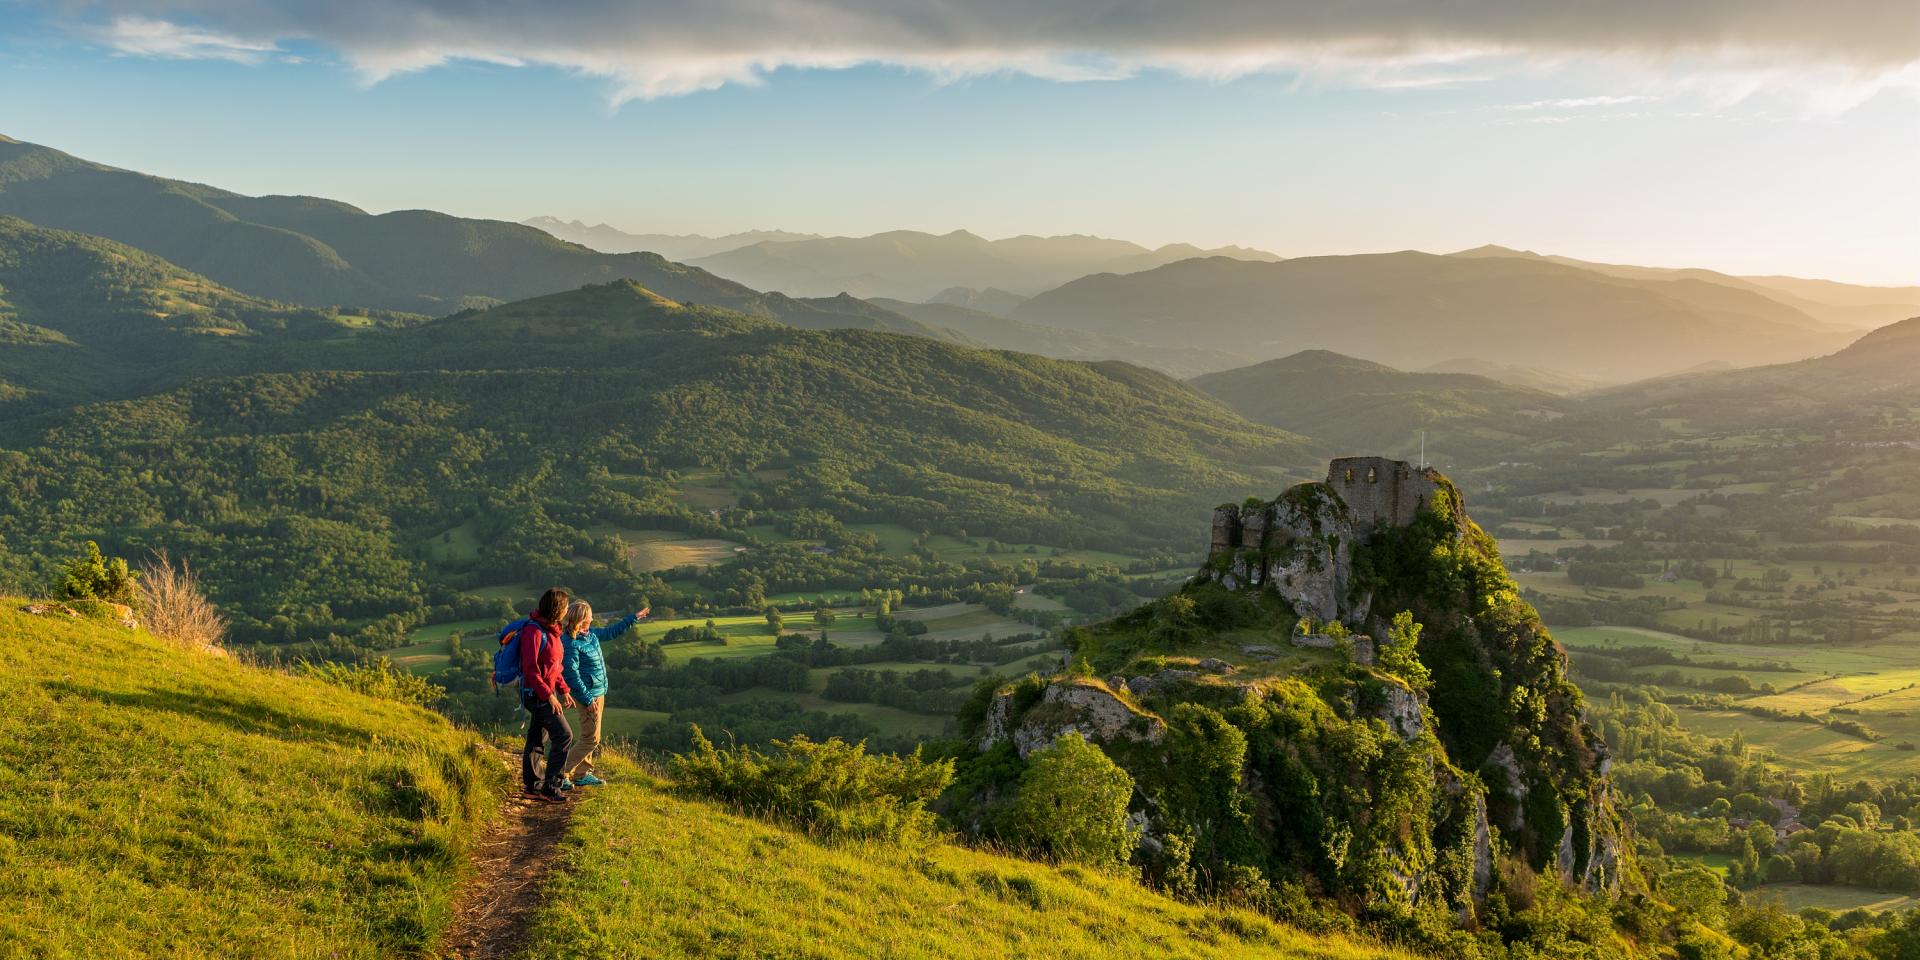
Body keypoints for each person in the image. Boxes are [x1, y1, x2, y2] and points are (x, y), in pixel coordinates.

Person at [556, 599, 648, 788]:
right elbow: (570, 674)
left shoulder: (590, 635)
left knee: (590, 734)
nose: (592, 618)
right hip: (587, 694)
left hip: (598, 691)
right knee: (592, 738)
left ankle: (581, 774)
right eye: (589, 615)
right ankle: (559, 773)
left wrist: (633, 618)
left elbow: (610, 632)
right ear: (581, 619)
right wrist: (587, 699)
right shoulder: (570, 642)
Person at [517, 587, 575, 803]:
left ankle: (533, 786)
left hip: (544, 692)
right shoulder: (534, 631)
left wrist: (564, 690)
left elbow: (554, 667)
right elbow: (531, 670)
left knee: (537, 737)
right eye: (566, 607)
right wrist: (549, 695)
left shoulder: (552, 631)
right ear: (557, 609)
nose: (567, 610)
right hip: (536, 694)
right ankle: (551, 787)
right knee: (564, 735)